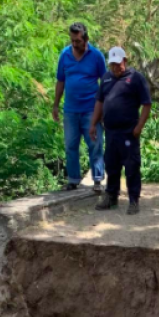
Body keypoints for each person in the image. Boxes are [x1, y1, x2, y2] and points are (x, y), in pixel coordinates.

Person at [89, 47, 152, 215]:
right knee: (111, 165)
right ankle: (111, 196)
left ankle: (133, 200)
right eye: (112, 65)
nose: (116, 68)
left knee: (131, 166)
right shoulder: (106, 78)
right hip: (111, 131)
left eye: (118, 64)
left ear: (125, 61)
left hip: (129, 132)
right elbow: (99, 102)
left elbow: (147, 104)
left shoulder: (136, 78)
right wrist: (93, 123)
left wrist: (139, 126)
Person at [53, 22, 107, 193]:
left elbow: (105, 83)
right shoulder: (65, 55)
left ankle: (97, 180)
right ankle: (73, 180)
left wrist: (104, 110)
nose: (75, 45)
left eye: (78, 41)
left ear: (86, 39)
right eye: (72, 41)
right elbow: (60, 81)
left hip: (91, 109)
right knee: (70, 145)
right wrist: (55, 104)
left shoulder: (96, 56)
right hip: (70, 110)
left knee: (95, 144)